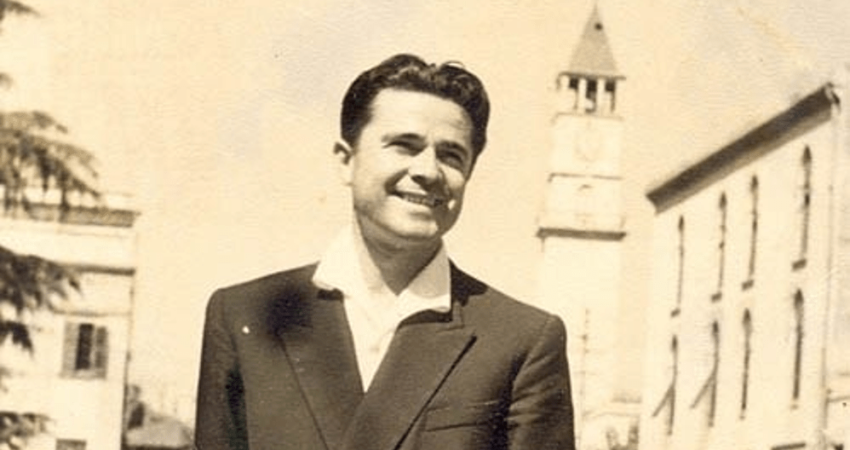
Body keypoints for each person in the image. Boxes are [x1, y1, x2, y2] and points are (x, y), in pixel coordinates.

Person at [195, 53, 575, 450]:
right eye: (404, 146)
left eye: (451, 155)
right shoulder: (244, 315)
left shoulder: (523, 340)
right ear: (346, 161)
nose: (428, 171)